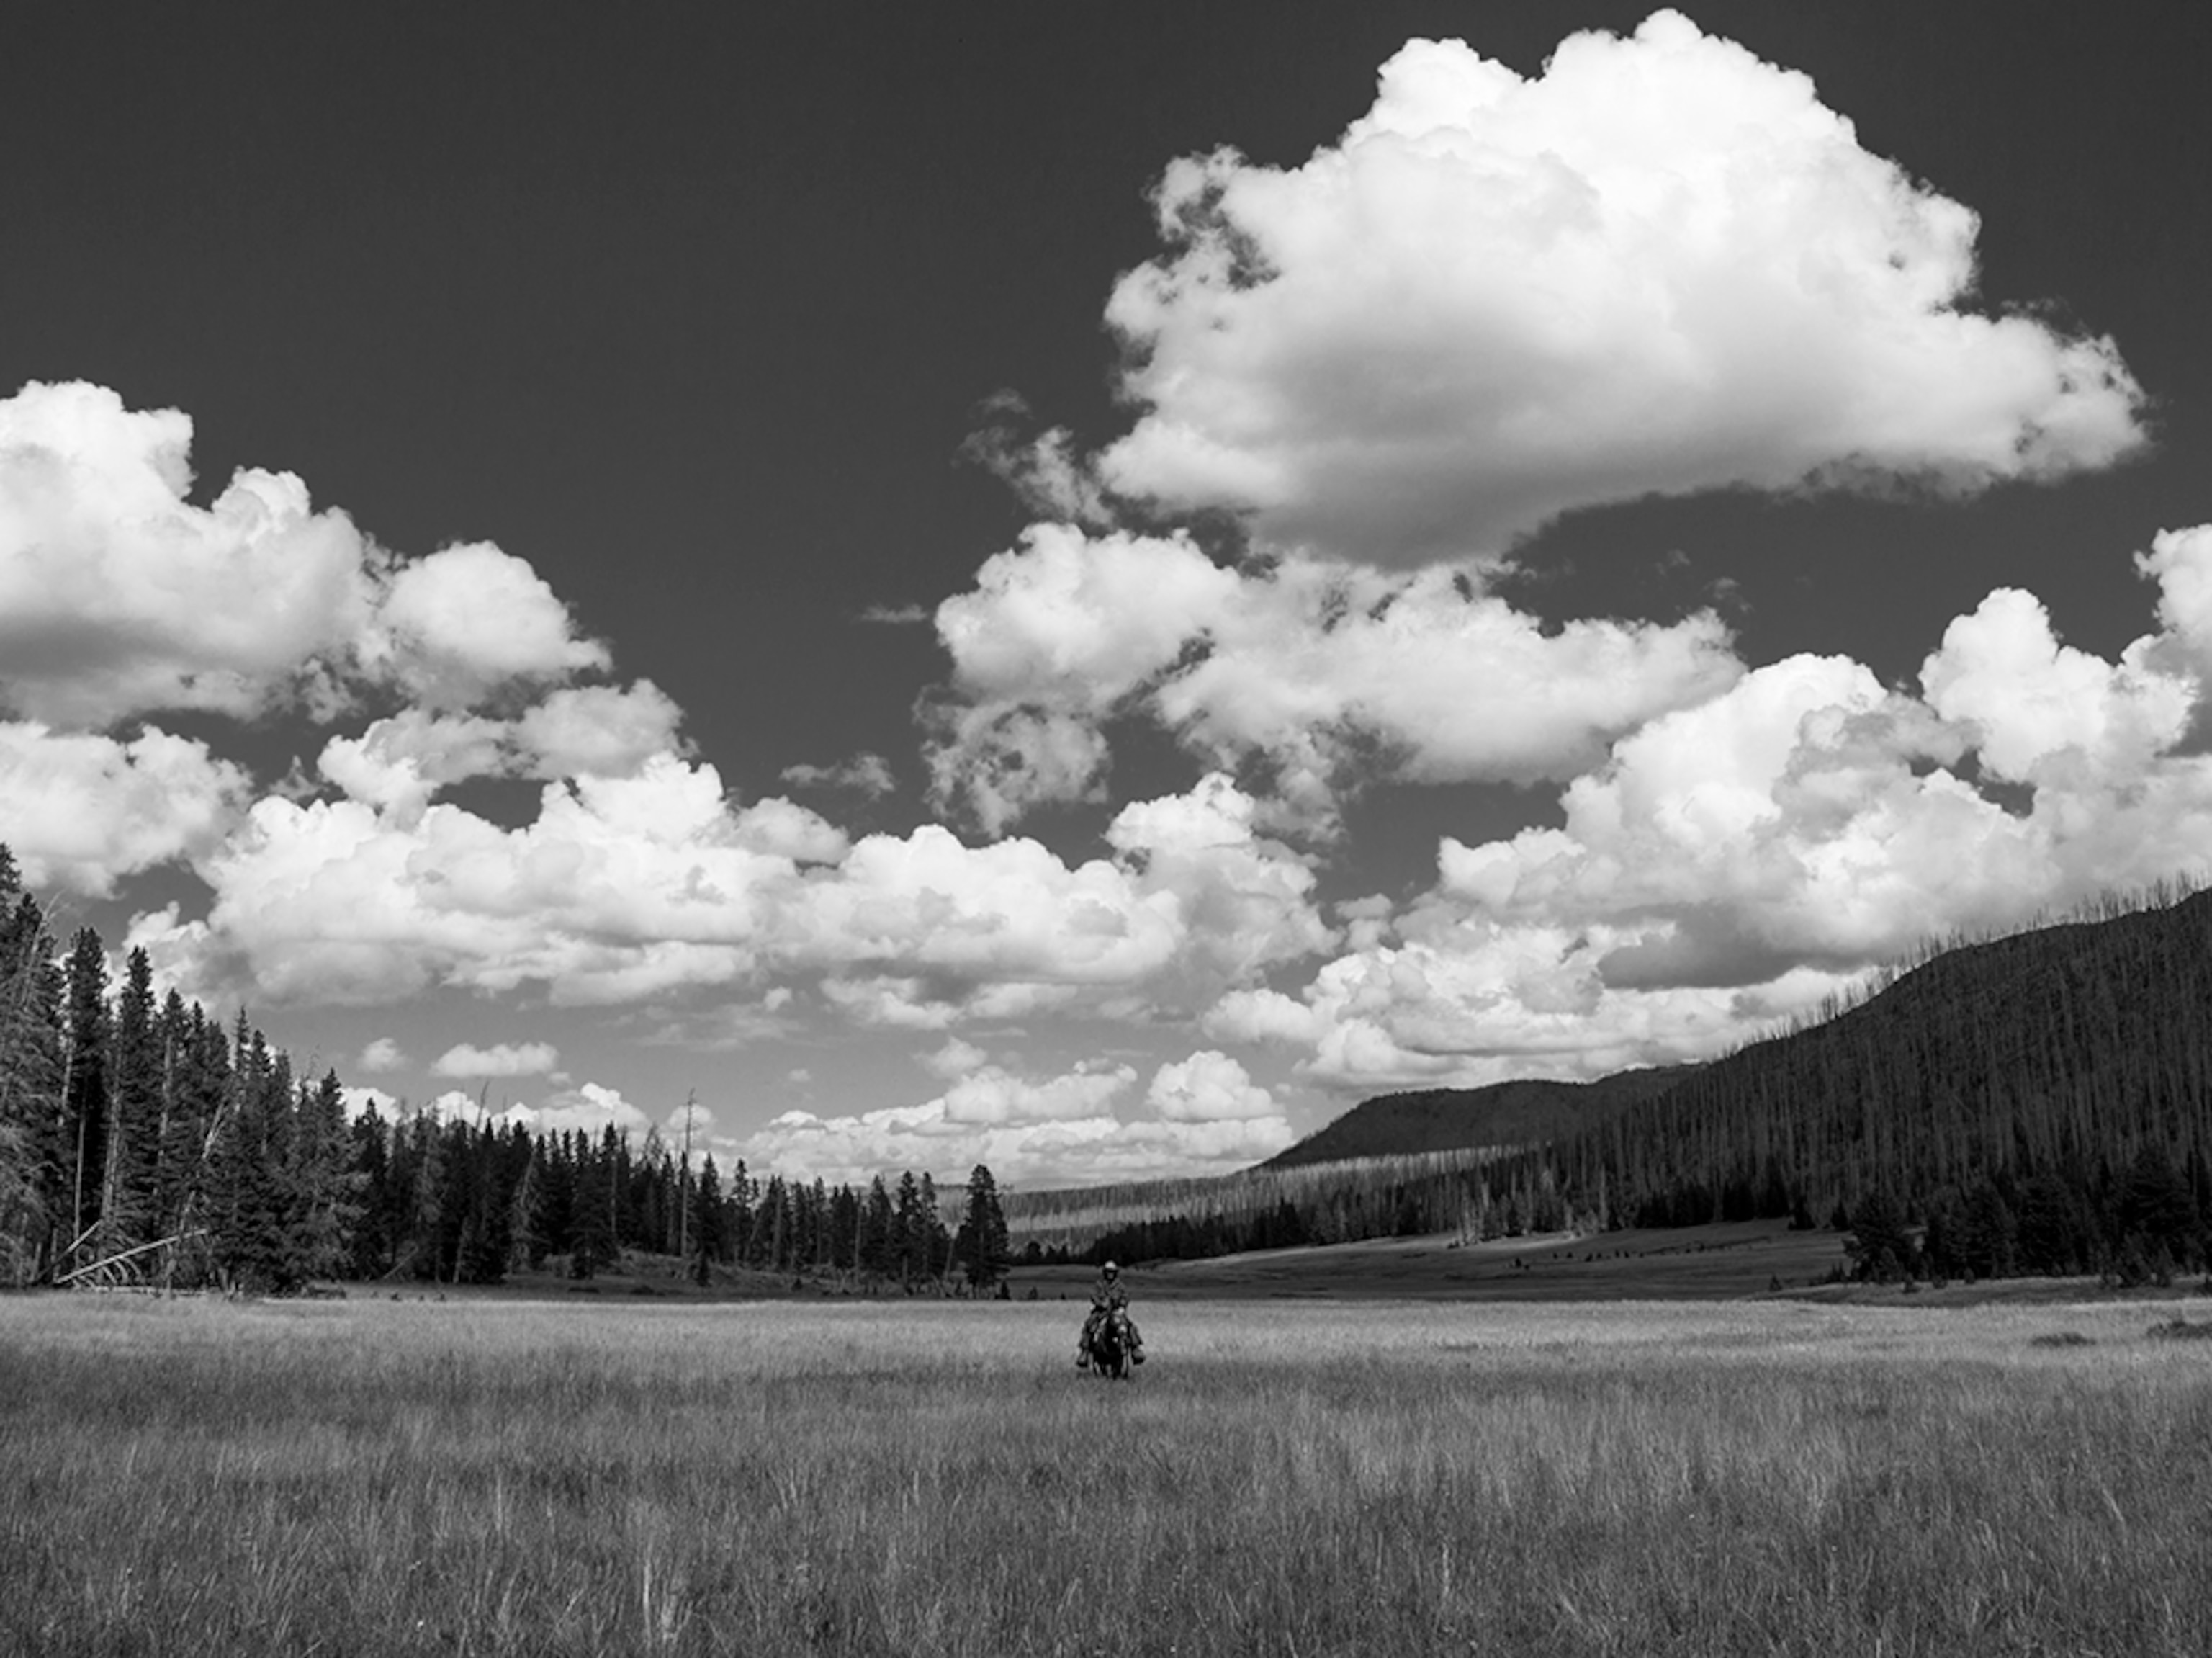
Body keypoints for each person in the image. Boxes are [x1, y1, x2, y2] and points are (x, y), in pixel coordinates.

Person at [1076, 1260, 1143, 1366]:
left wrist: (1121, 1306)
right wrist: (1101, 1304)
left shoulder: (1120, 1286)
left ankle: (1136, 1350)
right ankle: (1084, 1352)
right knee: (1089, 1325)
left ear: (1115, 1273)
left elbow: (1125, 1298)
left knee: (1130, 1326)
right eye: (1108, 1272)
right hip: (1100, 1312)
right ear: (1105, 1273)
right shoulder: (1099, 1285)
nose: (1110, 1274)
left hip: (1116, 1312)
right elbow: (1093, 1296)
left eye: (1112, 1272)